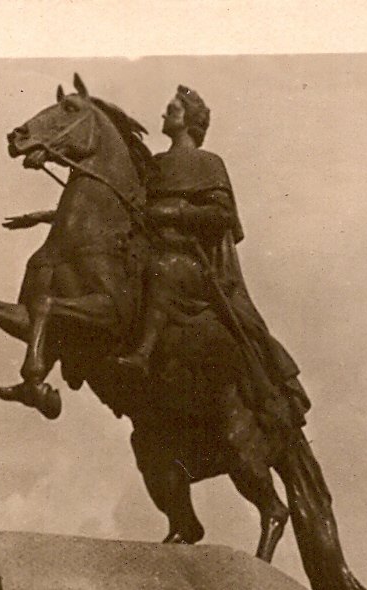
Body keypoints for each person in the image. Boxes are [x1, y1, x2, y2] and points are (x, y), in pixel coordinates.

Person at [117, 86, 311, 425]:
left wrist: (176, 213)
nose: (164, 114)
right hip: (149, 254)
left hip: (189, 263)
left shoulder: (209, 164)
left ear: (191, 120)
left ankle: (143, 353)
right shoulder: (155, 165)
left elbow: (222, 217)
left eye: (172, 109)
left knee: (164, 268)